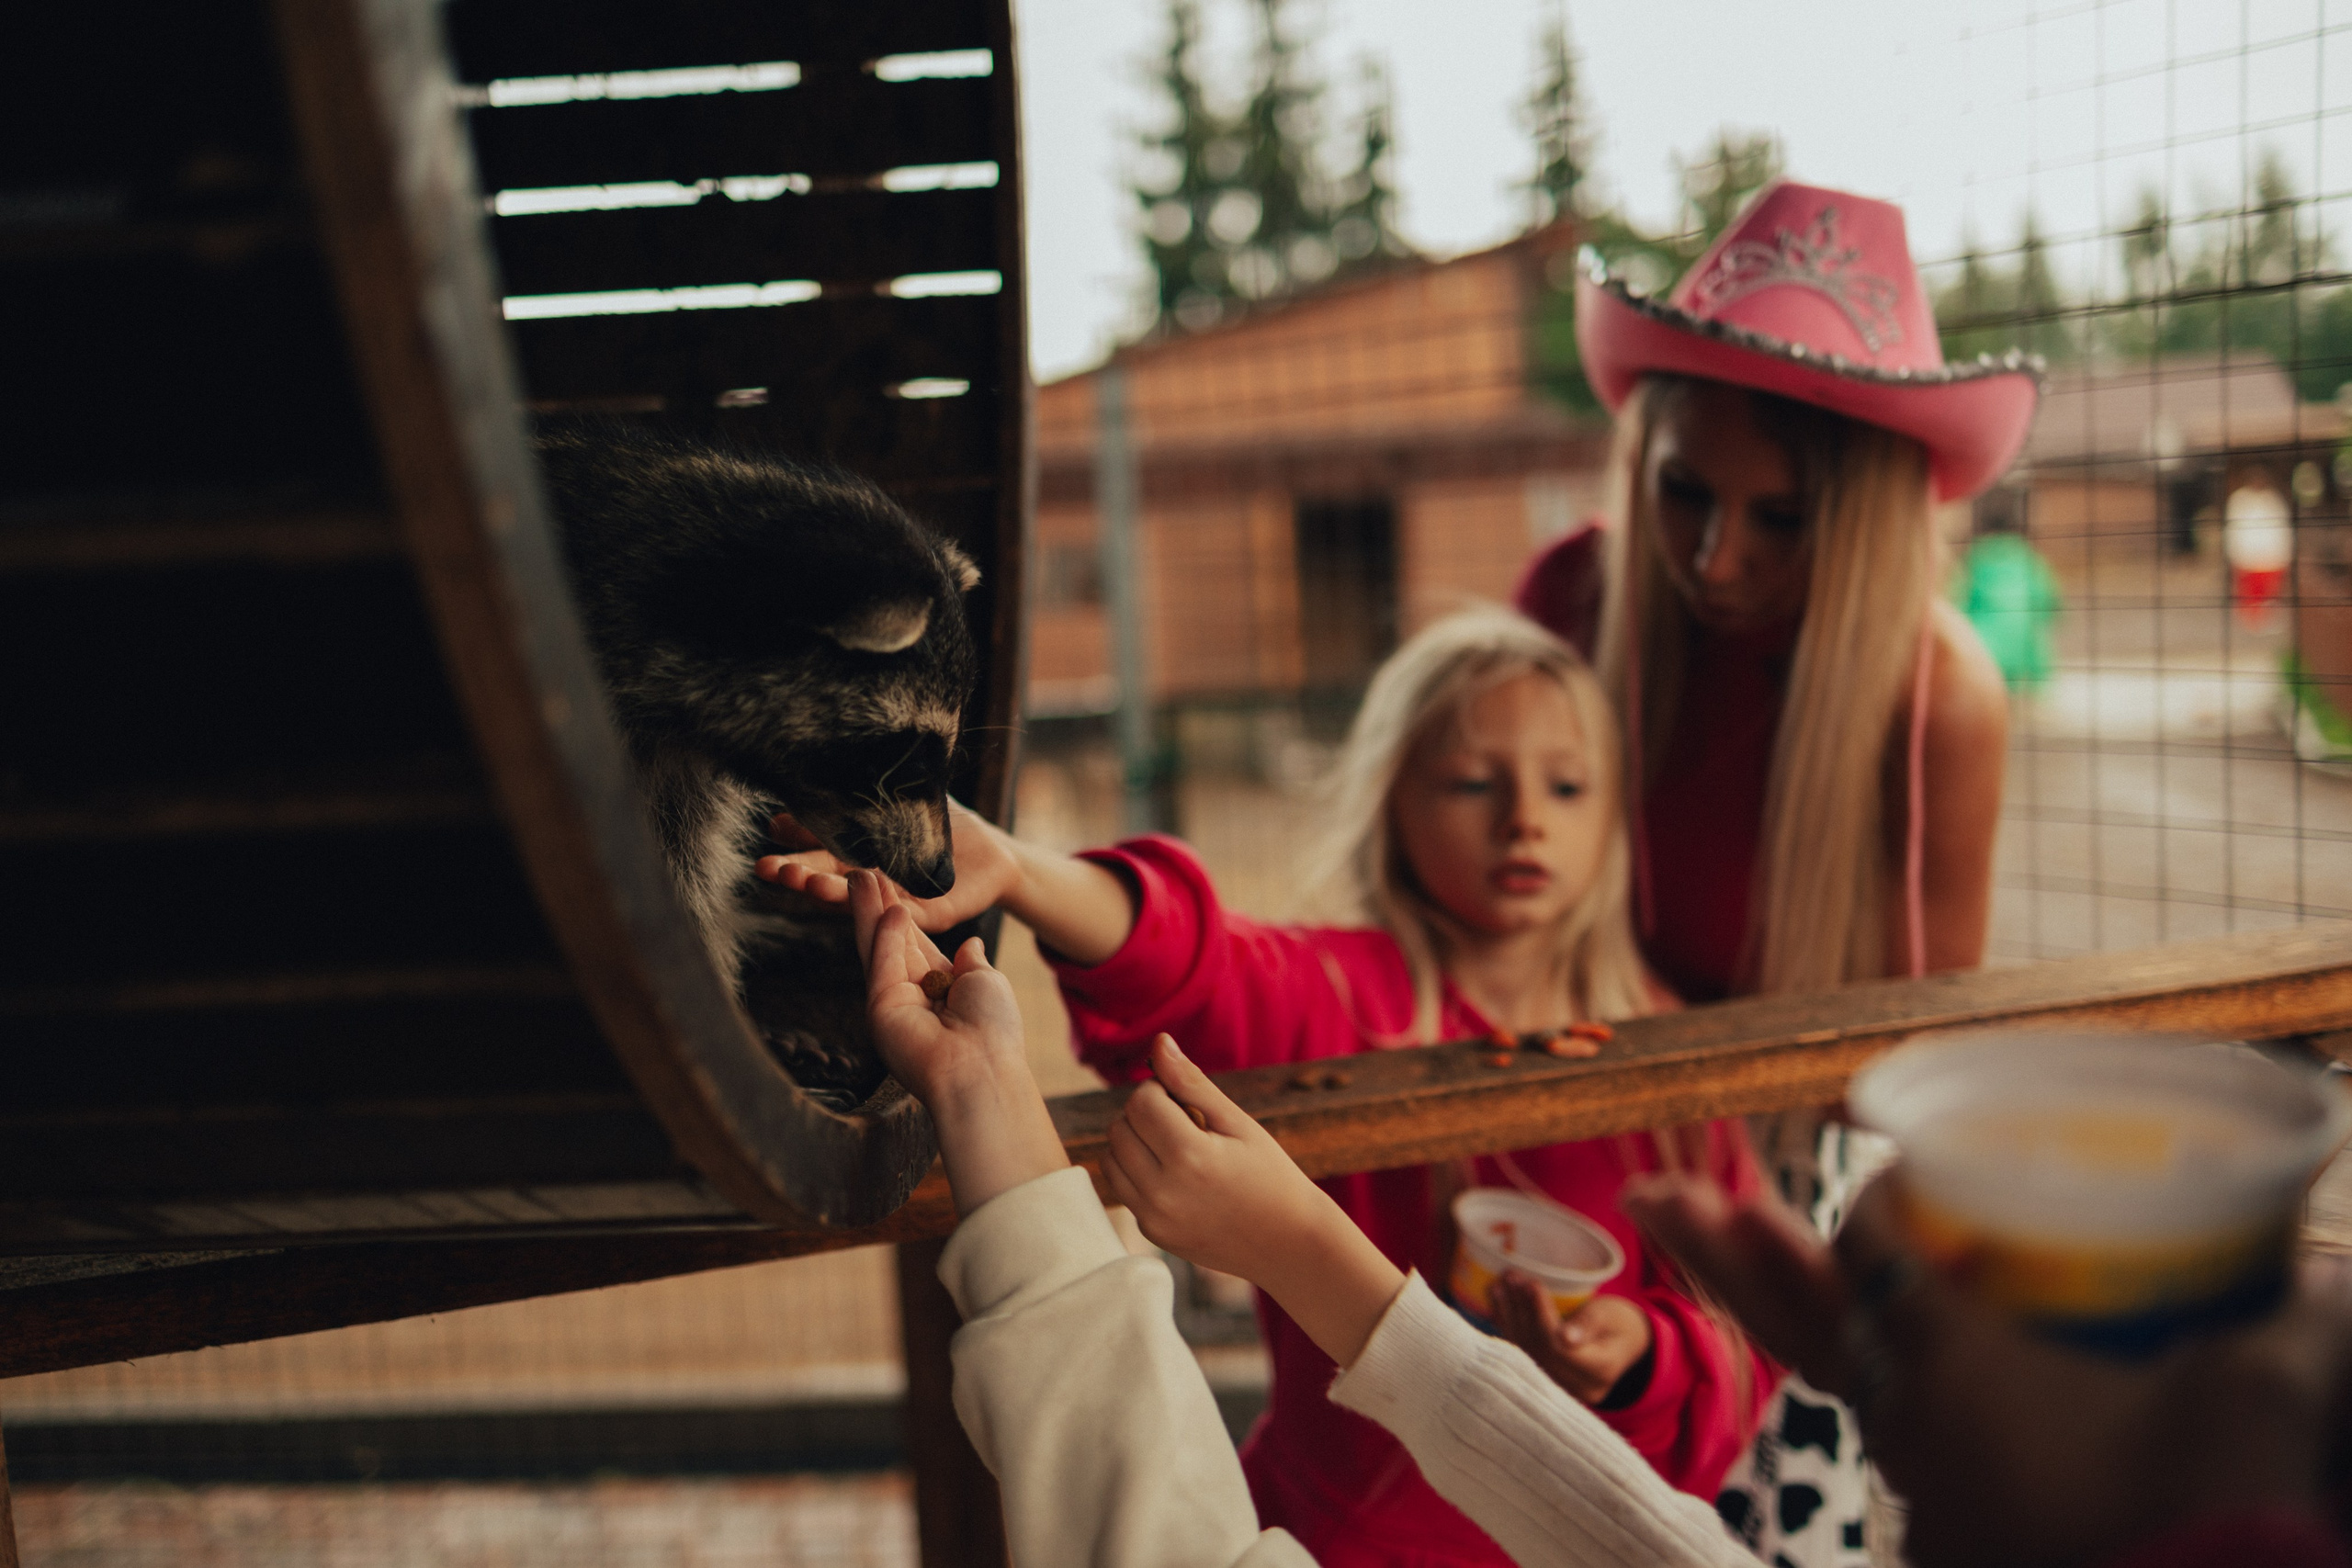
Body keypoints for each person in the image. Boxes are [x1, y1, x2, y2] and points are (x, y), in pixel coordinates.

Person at [847, 870, 2352, 1568]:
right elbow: (1659, 1537)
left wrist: (994, 1113)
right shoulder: (1368, 978)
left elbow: (1690, 1449)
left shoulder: (1652, 1029)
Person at [765, 607, 1774, 1564]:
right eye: (1472, 782)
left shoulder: (1667, 1050)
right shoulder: (1344, 993)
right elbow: (1198, 963)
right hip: (1324, 1545)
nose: (1523, 821)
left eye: (1566, 787)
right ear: (1392, 798)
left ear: (1616, 814)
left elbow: (1743, 1352)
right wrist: (1026, 872)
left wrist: (1643, 1357)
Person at [1514, 181, 2039, 1562]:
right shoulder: (1567, 596)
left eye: (1780, 518)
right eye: (1683, 491)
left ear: (1861, 514)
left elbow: (1918, 1047)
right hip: (1567, 1115)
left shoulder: (1941, 697)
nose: (1714, 555)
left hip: (1784, 1177)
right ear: (1643, 454)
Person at [1951, 509, 2062, 695]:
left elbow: (1961, 602)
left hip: (1987, 651)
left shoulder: (1976, 557)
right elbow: (2048, 600)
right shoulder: (2027, 556)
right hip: (2025, 648)